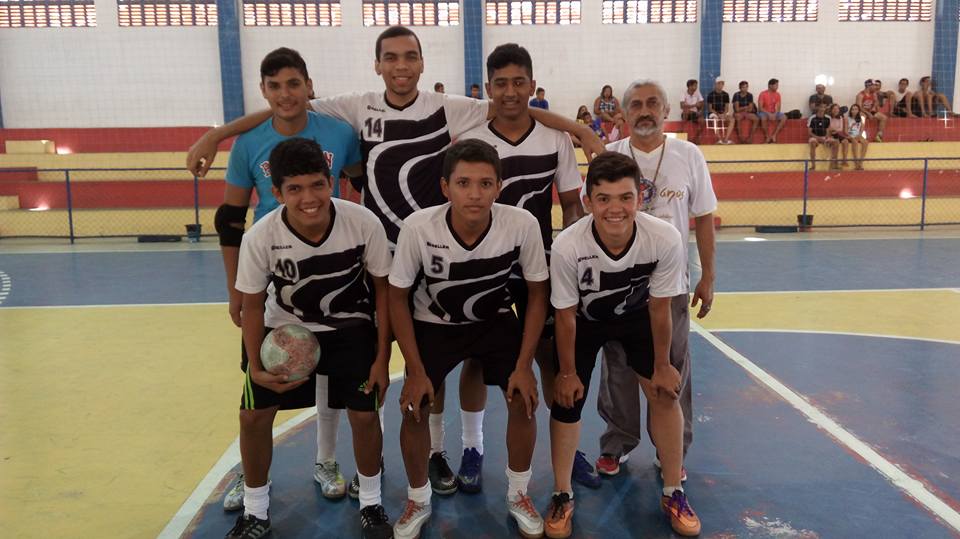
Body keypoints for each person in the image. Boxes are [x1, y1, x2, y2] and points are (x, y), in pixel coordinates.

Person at [215, 47, 363, 513]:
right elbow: (229, 220)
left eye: (293, 83)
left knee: (333, 376)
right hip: (273, 273)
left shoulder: (339, 133)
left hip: (333, 267)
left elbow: (362, 183)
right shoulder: (248, 144)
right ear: (263, 91)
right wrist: (235, 289)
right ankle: (251, 475)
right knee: (263, 384)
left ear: (308, 86)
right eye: (275, 86)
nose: (285, 94)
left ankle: (326, 461)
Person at [438, 43, 585, 496]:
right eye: (500, 83)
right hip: (485, 267)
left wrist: (574, 253)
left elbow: (572, 204)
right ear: (488, 88)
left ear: (532, 85)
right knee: (477, 359)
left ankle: (569, 445)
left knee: (550, 358)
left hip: (539, 266)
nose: (510, 92)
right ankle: (472, 446)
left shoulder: (555, 139)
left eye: (518, 82)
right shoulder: (472, 138)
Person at [229, 137, 393, 539]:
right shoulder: (261, 236)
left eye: (317, 184)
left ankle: (371, 503)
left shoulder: (363, 223)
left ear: (331, 181)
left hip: (350, 328)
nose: (309, 198)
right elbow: (253, 306)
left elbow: (384, 292)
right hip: (285, 331)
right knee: (253, 415)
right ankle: (255, 510)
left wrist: (382, 359)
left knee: (365, 415)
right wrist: (255, 366)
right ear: (277, 193)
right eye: (295, 189)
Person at [389, 139, 550, 539]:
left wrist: (524, 366)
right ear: (445, 187)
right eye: (463, 183)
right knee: (414, 407)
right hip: (434, 322)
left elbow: (537, 294)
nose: (474, 194)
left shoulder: (521, 224)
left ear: (499, 187)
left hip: (494, 320)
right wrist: (414, 370)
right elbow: (395, 297)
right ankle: (418, 499)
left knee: (523, 399)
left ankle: (518, 493)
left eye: (485, 183)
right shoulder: (419, 228)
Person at [548, 151, 700, 538]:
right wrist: (567, 373)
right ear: (588, 202)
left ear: (640, 198)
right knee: (566, 400)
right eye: (603, 199)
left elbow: (660, 307)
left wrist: (663, 364)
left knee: (664, 392)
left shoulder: (663, 237)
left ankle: (674, 491)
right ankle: (562, 494)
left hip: (636, 318)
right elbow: (565, 315)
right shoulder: (568, 245)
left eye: (625, 198)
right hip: (584, 321)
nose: (615, 209)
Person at [594, 80, 717, 495]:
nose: (644, 111)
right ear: (624, 112)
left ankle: (671, 452)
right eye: (636, 105)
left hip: (672, 284)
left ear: (666, 110)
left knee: (673, 369)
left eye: (652, 104)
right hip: (618, 285)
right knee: (617, 370)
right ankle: (617, 444)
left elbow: (704, 217)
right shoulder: (610, 155)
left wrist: (708, 276)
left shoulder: (688, 155)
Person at [807, 103, 837, 170]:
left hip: (824, 137)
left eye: (824, 107)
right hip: (814, 137)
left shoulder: (828, 118)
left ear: (826, 108)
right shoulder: (812, 118)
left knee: (835, 143)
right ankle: (813, 165)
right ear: (818, 108)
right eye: (821, 107)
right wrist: (818, 138)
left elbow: (828, 130)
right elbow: (809, 132)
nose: (822, 109)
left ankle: (832, 165)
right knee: (812, 143)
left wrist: (826, 137)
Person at [757, 78, 786, 143]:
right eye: (776, 85)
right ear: (770, 85)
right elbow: (760, 108)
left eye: (778, 85)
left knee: (784, 117)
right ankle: (767, 136)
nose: (777, 87)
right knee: (763, 118)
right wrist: (769, 114)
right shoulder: (763, 94)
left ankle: (774, 135)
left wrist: (775, 114)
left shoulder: (777, 94)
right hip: (763, 112)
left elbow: (778, 108)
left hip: (773, 112)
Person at [705, 78, 734, 144]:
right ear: (715, 84)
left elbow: (727, 107)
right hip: (714, 113)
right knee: (715, 119)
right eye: (719, 83)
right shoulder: (710, 95)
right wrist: (718, 114)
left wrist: (724, 114)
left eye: (722, 83)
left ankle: (726, 139)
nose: (720, 85)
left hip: (723, 113)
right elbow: (710, 108)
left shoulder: (726, 94)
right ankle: (719, 140)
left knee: (732, 119)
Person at [679, 79, 705, 144]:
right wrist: (694, 105)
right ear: (689, 86)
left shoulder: (697, 93)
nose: (696, 87)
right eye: (695, 85)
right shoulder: (683, 93)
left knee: (702, 121)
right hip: (686, 113)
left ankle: (696, 138)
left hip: (695, 113)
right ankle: (682, 133)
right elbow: (682, 106)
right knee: (686, 112)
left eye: (696, 85)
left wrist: (701, 111)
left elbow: (702, 103)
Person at [827, 103, 851, 168]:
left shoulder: (840, 118)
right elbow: (828, 128)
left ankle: (844, 160)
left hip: (837, 134)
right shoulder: (828, 118)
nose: (836, 110)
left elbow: (840, 129)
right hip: (830, 134)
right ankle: (834, 162)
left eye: (837, 109)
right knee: (836, 142)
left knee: (845, 141)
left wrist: (834, 130)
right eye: (834, 109)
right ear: (831, 110)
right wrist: (833, 130)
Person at [846, 104, 869, 170]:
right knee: (855, 142)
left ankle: (860, 162)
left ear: (858, 110)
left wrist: (859, 135)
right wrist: (851, 136)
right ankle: (856, 163)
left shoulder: (861, 118)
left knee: (865, 142)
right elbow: (846, 130)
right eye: (853, 109)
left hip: (858, 135)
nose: (854, 111)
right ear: (850, 111)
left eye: (856, 109)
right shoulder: (847, 118)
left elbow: (862, 129)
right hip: (850, 135)